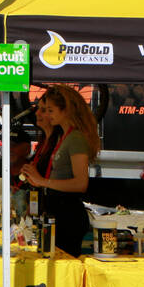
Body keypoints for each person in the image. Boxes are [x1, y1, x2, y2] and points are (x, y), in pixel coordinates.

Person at [20, 83, 100, 256]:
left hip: (68, 214)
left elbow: (81, 183)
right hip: (56, 211)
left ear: (66, 110)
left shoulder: (76, 138)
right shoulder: (64, 136)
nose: (47, 115)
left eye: (51, 110)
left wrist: (43, 181)